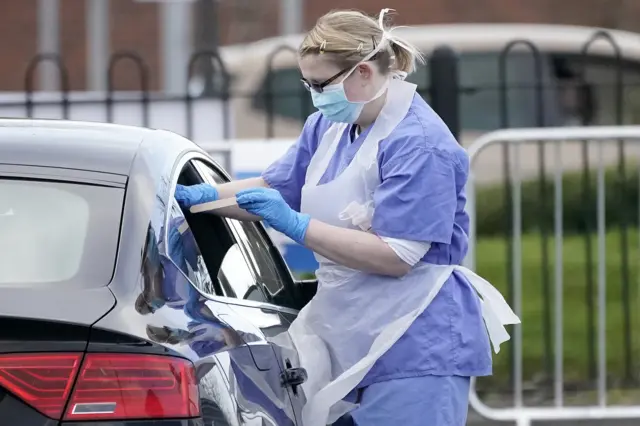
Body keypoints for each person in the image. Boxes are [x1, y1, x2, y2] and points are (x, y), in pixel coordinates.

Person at [174, 8, 520, 426]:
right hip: (350, 328)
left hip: (416, 341)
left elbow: (397, 256)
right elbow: (273, 188)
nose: (315, 95)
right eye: (308, 84)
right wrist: (194, 197)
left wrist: (298, 226)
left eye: (321, 84)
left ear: (364, 73)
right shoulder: (328, 126)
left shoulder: (421, 145)